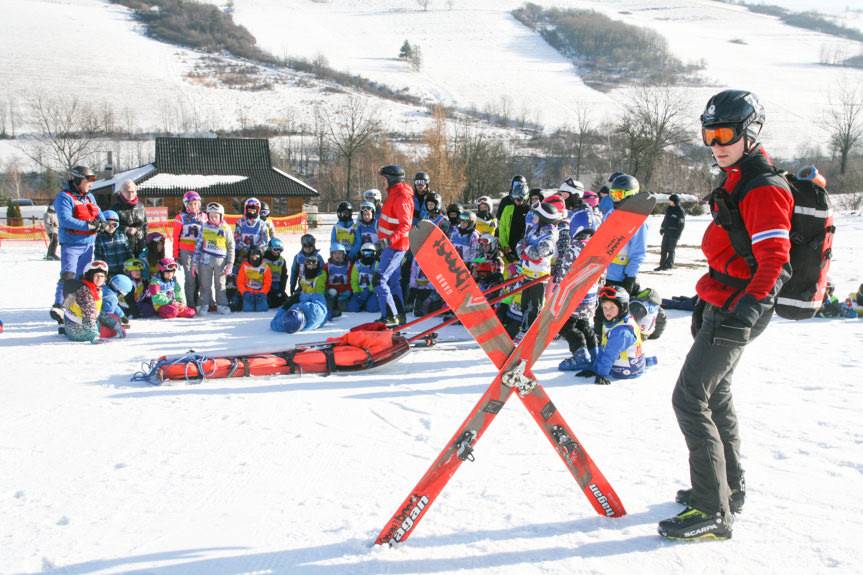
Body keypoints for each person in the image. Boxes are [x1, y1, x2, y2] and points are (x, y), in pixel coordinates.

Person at [659, 89, 793, 542]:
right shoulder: (737, 177)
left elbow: (775, 261)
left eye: (725, 134)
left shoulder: (764, 187)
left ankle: (711, 509)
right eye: (709, 134)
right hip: (723, 300)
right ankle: (726, 490)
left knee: (688, 398)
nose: (716, 143)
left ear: (749, 132)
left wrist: (742, 312)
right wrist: (708, 299)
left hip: (740, 307)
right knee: (715, 396)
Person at [50, 165, 105, 325]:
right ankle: (60, 306)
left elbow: (99, 214)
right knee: (69, 276)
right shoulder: (64, 197)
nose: (91, 184)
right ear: (78, 179)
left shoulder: (90, 197)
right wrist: (88, 226)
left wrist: (105, 225)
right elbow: (66, 219)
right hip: (71, 244)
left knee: (83, 278)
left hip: (88, 244)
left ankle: (73, 307)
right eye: (89, 180)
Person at [570, 285, 645, 384]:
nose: (607, 311)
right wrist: (594, 369)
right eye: (604, 307)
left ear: (623, 307)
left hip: (627, 372)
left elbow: (609, 355)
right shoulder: (614, 322)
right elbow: (604, 348)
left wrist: (601, 373)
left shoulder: (622, 331)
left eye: (612, 307)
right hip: (622, 366)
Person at [375, 164, 414, 326]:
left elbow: (406, 225)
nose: (382, 182)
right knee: (393, 281)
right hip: (390, 246)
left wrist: (389, 240)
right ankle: (399, 316)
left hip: (395, 246)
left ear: (391, 179)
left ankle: (391, 317)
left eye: (384, 179)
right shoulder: (393, 194)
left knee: (379, 280)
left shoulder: (401, 197)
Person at [516, 201, 560, 334]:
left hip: (539, 277)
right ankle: (524, 328)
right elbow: (519, 245)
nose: (533, 217)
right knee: (524, 304)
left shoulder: (549, 236)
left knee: (535, 305)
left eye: (536, 215)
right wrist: (524, 250)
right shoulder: (534, 229)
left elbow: (538, 254)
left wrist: (526, 249)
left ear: (543, 218)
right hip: (527, 273)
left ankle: (533, 331)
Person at [604, 173, 647, 295]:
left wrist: (630, 277)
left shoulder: (638, 222)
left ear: (630, 195)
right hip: (603, 273)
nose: (614, 199)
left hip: (620, 276)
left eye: (618, 195)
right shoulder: (610, 214)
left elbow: (638, 253)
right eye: (612, 195)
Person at [194, 202, 235, 315]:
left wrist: (230, 263)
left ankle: (222, 305)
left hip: (220, 262)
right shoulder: (204, 226)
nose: (212, 218)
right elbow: (198, 245)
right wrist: (194, 262)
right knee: (205, 284)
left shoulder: (226, 228)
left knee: (220, 284)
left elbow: (231, 247)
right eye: (210, 216)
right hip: (205, 260)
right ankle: (204, 304)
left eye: (215, 216)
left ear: (221, 216)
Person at [61, 260, 111, 343]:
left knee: (110, 324)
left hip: (74, 326)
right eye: (96, 276)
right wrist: (94, 336)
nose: (99, 279)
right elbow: (89, 313)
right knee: (109, 332)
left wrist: (114, 324)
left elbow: (97, 312)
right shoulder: (85, 291)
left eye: (102, 276)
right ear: (90, 276)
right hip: (79, 330)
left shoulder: (95, 289)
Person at [173, 190, 206, 308]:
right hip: (186, 251)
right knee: (190, 279)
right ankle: (191, 304)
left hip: (201, 251)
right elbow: (175, 237)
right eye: (191, 204)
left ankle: (202, 302)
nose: (194, 206)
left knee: (202, 278)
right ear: (186, 204)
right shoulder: (180, 217)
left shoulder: (204, 217)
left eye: (196, 203)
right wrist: (176, 255)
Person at [110, 179, 148, 257]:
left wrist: (145, 240)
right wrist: (126, 229)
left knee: (140, 268)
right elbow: (111, 226)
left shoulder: (141, 206)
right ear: (121, 192)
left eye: (132, 191)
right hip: (122, 246)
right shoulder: (115, 208)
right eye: (127, 191)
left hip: (140, 245)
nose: (130, 194)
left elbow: (145, 225)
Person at [497, 176, 530, 263]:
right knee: (510, 270)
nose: (517, 201)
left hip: (523, 248)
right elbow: (502, 227)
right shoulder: (508, 208)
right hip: (509, 246)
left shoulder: (529, 211)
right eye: (515, 199)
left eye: (519, 200)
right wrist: (504, 245)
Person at [94, 210, 132, 278]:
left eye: (114, 224)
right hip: (109, 273)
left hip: (124, 270)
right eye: (108, 224)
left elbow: (128, 252)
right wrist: (103, 272)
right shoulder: (99, 238)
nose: (111, 227)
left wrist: (129, 267)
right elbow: (98, 258)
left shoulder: (121, 235)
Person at [234, 197, 269, 267]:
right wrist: (245, 248)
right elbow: (237, 238)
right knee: (237, 261)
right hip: (242, 251)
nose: (252, 212)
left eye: (254, 210)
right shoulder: (240, 222)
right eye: (249, 210)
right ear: (246, 210)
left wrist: (256, 249)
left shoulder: (262, 224)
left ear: (258, 210)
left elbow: (265, 239)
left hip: (257, 252)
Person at [237, 246, 272, 312]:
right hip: (248, 293)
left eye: (257, 256)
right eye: (253, 256)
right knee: (248, 310)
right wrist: (244, 292)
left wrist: (263, 292)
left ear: (260, 256)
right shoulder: (244, 266)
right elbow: (240, 282)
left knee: (262, 309)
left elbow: (268, 282)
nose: (255, 259)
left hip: (260, 293)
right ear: (249, 256)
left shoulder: (265, 267)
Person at [348, 242, 380, 313]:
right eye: (366, 253)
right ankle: (361, 303)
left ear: (374, 253)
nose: (368, 255)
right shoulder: (357, 265)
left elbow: (378, 280)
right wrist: (356, 291)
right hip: (359, 292)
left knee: (372, 308)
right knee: (352, 308)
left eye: (370, 253)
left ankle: (369, 303)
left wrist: (370, 290)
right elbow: (354, 280)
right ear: (361, 253)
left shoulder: (376, 265)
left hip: (372, 292)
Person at [656, 193, 686, 271]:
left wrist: (678, 234)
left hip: (674, 233)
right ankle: (662, 265)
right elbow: (665, 219)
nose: (669, 202)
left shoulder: (680, 211)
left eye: (671, 201)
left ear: (675, 201)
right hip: (666, 232)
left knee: (670, 250)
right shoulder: (669, 209)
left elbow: (682, 224)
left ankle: (668, 265)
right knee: (663, 249)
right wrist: (662, 228)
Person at [100, 273, 134, 338]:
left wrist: (122, 315)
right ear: (120, 290)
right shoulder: (111, 297)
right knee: (115, 319)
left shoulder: (104, 289)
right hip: (98, 320)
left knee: (117, 318)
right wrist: (119, 328)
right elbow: (108, 315)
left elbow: (114, 306)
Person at [325, 243, 352, 317]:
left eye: (340, 253)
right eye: (335, 253)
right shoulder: (327, 266)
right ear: (331, 254)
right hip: (331, 292)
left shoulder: (349, 266)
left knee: (343, 307)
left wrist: (349, 290)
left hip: (344, 291)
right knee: (329, 306)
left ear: (344, 254)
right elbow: (323, 281)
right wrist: (326, 291)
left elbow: (351, 279)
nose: (337, 255)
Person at [263, 237, 289, 308]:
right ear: (270, 248)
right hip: (265, 285)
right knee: (271, 302)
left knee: (286, 301)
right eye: (275, 250)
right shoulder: (264, 259)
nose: (278, 252)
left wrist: (282, 290)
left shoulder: (281, 261)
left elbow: (284, 276)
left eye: (280, 250)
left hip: (276, 285)